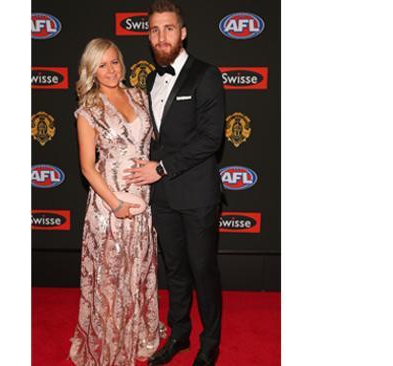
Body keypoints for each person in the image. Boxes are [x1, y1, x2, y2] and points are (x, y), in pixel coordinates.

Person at [125, 1, 225, 365]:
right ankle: (179, 333)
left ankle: (210, 342)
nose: (161, 36)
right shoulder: (150, 80)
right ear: (148, 36)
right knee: (176, 271)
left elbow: (210, 139)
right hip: (163, 196)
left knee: (203, 270)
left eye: (168, 28)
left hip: (196, 195)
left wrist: (161, 167)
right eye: (154, 30)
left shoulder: (206, 75)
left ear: (182, 33)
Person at [69, 38, 163, 366]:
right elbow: (86, 167)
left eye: (114, 62)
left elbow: (151, 146)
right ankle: (110, 339)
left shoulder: (139, 95)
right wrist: (115, 204)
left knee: (136, 271)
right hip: (109, 208)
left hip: (142, 202)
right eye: (102, 64)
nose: (110, 70)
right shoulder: (88, 110)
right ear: (91, 70)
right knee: (111, 276)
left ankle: (137, 332)